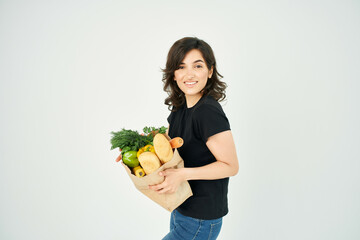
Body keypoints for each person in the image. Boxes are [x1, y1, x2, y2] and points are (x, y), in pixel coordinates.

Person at [149, 37, 239, 240]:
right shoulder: (180, 108)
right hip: (181, 207)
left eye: (197, 66)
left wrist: (182, 175)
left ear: (210, 71)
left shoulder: (207, 112)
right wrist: (138, 149)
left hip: (200, 217)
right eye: (181, 67)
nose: (189, 74)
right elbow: (170, 148)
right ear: (173, 74)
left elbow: (231, 166)